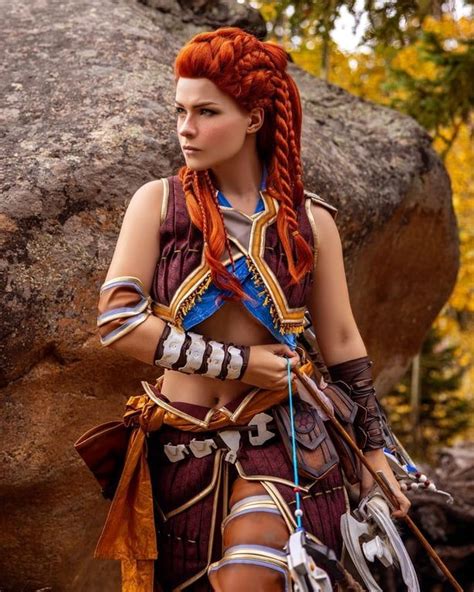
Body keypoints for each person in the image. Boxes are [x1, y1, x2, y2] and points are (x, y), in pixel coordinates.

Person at [94, 26, 410, 592]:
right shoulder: (158, 203)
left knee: (250, 579)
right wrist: (240, 364)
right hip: (178, 452)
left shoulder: (312, 223)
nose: (186, 129)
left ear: (255, 118)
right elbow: (118, 322)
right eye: (180, 110)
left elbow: (341, 344)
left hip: (288, 447)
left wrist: (376, 450)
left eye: (206, 112)